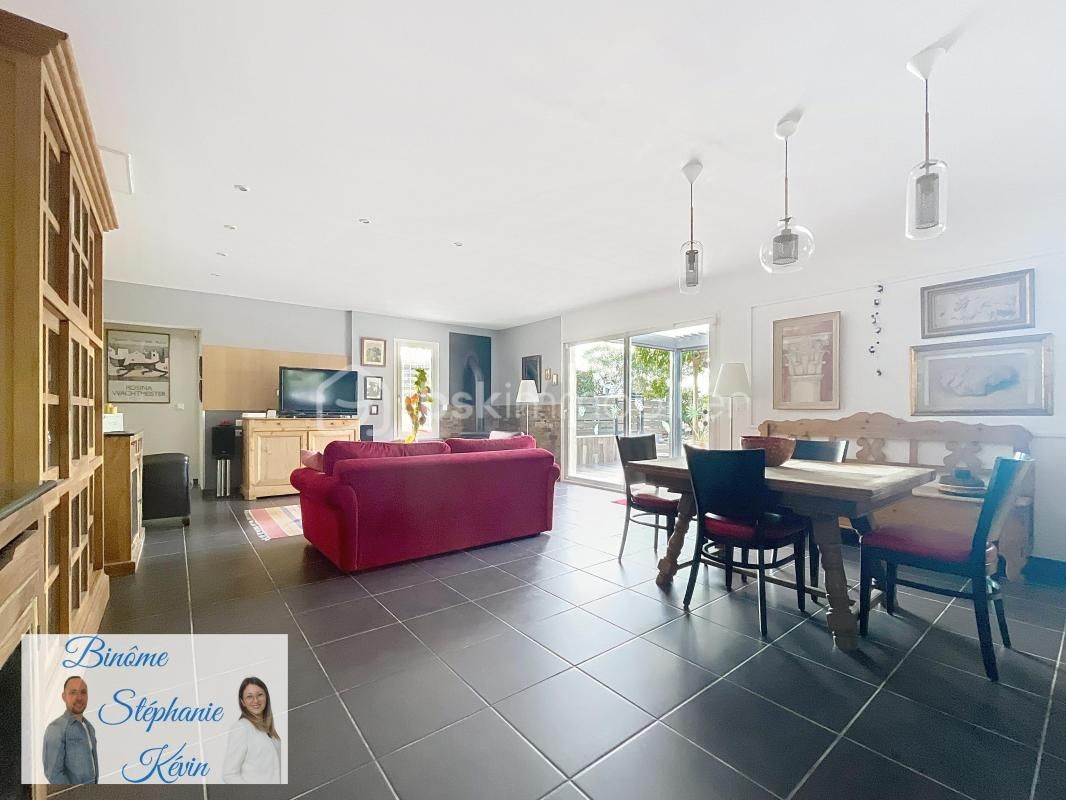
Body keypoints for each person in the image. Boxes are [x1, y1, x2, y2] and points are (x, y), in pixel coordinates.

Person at [222, 677, 282, 783]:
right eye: (249, 696)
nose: (256, 700)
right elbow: (229, 774)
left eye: (260, 695)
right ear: (242, 702)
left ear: (266, 697)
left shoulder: (269, 730)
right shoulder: (241, 728)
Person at [42, 676, 99, 785]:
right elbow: (53, 774)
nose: (79, 698)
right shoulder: (56, 728)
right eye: (73, 692)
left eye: (83, 692)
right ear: (64, 697)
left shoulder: (90, 728)